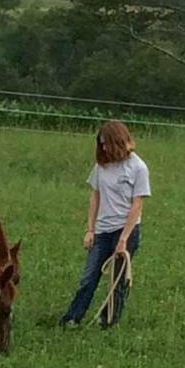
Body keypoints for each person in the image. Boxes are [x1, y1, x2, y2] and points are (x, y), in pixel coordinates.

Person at [59, 120, 151, 329]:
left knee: (117, 280)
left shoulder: (138, 167)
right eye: (101, 144)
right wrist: (90, 229)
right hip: (102, 230)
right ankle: (72, 318)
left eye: (107, 143)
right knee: (89, 277)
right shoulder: (101, 166)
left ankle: (109, 321)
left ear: (118, 141)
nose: (104, 148)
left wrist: (124, 239)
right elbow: (95, 196)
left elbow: (137, 205)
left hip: (125, 230)